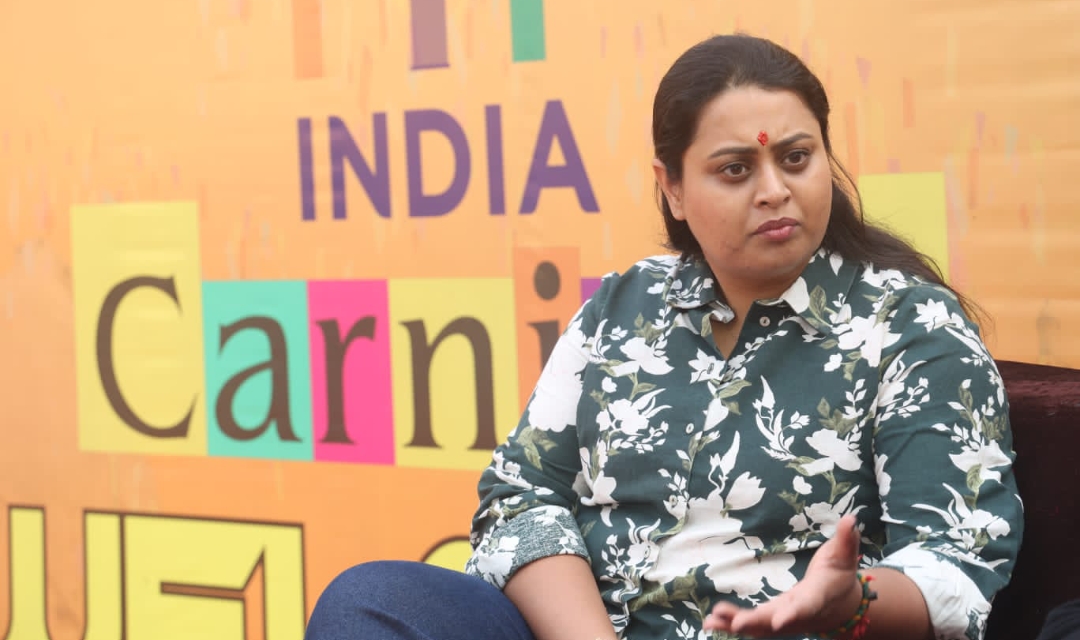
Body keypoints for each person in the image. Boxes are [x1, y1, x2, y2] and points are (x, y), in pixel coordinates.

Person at [304, 33, 1024, 640]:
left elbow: (954, 562)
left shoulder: (911, 327)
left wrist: (850, 601)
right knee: (370, 602)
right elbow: (520, 498)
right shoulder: (623, 307)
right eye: (736, 169)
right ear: (673, 188)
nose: (774, 189)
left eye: (796, 158)